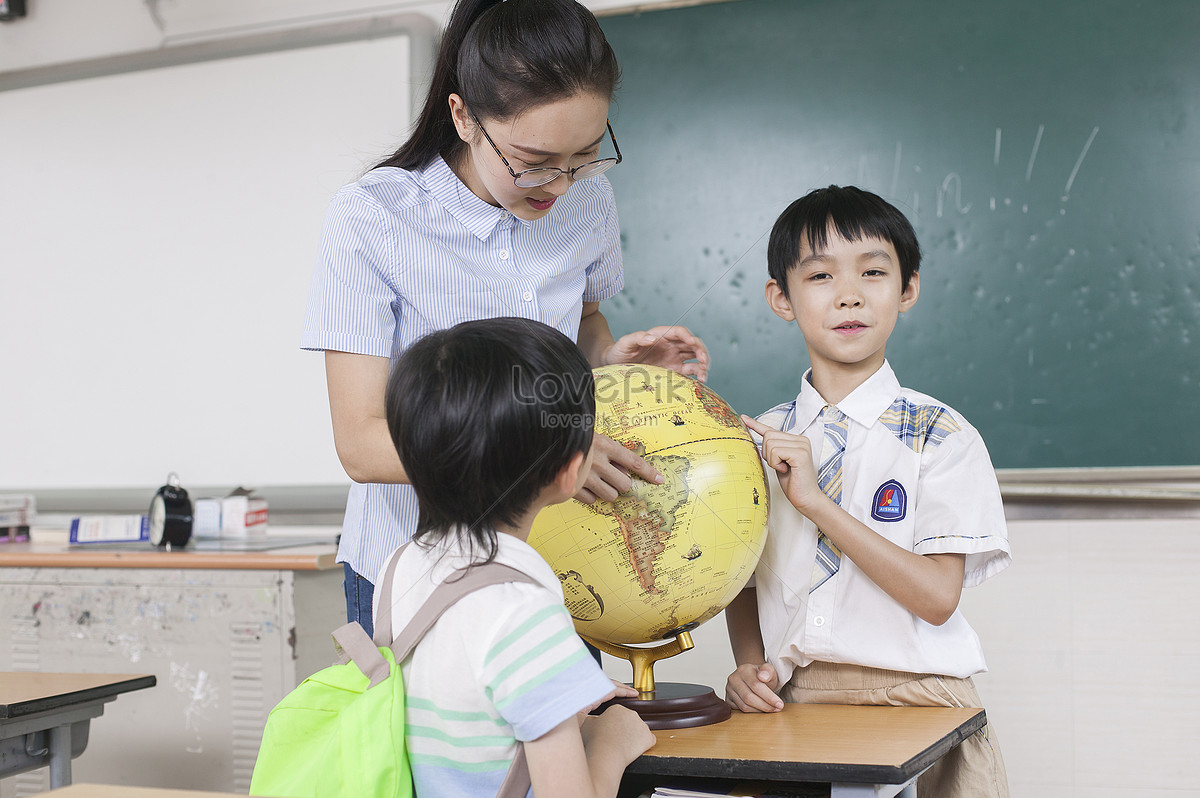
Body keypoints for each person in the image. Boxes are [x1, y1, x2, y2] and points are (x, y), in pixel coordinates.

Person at [300, 0, 709, 635]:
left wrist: (607, 358)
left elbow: (584, 319)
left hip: (558, 563)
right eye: (534, 160)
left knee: (565, 736)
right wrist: (547, 451)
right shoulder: (372, 217)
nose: (561, 186)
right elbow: (362, 443)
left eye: (586, 155)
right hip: (412, 570)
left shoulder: (589, 202)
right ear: (463, 117)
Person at [724, 185, 1012, 796]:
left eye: (874, 272)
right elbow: (741, 579)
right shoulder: (759, 440)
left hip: (918, 702)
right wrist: (750, 665)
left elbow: (938, 597)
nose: (849, 294)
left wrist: (818, 505)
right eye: (821, 275)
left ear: (907, 289)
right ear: (782, 298)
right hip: (794, 704)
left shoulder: (940, 436)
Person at [376, 317, 656, 798]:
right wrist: (610, 743)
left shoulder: (399, 568)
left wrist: (558, 693)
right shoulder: (523, 614)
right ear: (571, 472)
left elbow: (469, 715)